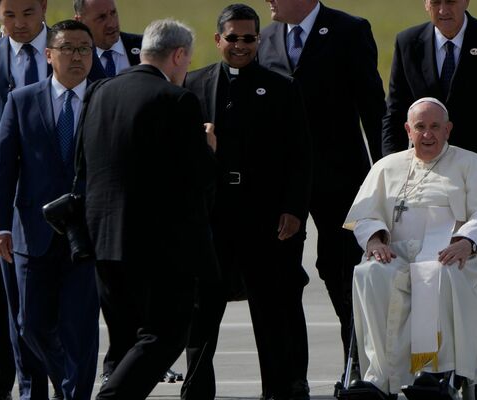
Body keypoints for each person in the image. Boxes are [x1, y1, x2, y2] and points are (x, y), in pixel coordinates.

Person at [80, 19, 217, 400]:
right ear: (178, 55)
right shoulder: (177, 100)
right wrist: (209, 148)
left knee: (126, 340)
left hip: (104, 240)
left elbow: (83, 164)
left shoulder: (100, 91)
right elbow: (198, 178)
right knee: (166, 334)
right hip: (159, 249)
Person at [183, 4, 312, 400]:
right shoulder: (192, 84)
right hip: (212, 216)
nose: (241, 45)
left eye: (249, 38)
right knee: (203, 310)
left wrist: (294, 209)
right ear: (218, 39)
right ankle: (196, 391)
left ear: (259, 40)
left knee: (271, 310)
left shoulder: (282, 87)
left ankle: (278, 390)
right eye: (233, 38)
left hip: (263, 216)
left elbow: (300, 156)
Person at [343, 98, 477, 400]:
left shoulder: (471, 164)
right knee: (370, 273)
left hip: (449, 252)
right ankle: (380, 377)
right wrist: (375, 241)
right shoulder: (386, 167)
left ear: (448, 129)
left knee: (440, 274)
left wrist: (466, 241)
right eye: (420, 127)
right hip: (396, 252)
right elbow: (364, 215)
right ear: (408, 130)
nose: (427, 134)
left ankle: (439, 373)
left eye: (435, 126)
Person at [257, 0, 386, 362]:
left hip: (340, 180)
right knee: (281, 277)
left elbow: (373, 108)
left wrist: (387, 173)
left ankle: (358, 367)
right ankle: (291, 379)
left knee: (342, 273)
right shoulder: (265, 38)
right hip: (284, 185)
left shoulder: (350, 31)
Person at [0, 20, 99, 400]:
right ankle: (67, 382)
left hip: (87, 233)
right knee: (31, 325)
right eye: (68, 48)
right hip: (32, 232)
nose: (77, 56)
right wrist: (1, 226)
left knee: (80, 328)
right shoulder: (22, 100)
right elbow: (4, 166)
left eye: (84, 49)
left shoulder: (105, 97)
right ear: (49, 54)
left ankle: (75, 394)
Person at [381, 0, 477, 215]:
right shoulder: (408, 42)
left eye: (451, 1)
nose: (443, 10)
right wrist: (394, 174)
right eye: (436, 2)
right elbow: (395, 115)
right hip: (424, 181)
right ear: (426, 4)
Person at [0, 0, 52, 398]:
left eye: (28, 13)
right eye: (8, 15)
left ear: (45, 6)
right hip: (8, 203)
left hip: (64, 200)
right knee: (17, 310)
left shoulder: (74, 48)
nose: (19, 24)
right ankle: (29, 389)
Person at [74, 0, 141, 80]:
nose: (112, 24)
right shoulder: (73, 62)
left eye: (113, 13)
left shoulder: (145, 47)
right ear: (80, 21)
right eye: (101, 17)